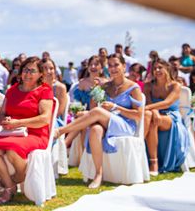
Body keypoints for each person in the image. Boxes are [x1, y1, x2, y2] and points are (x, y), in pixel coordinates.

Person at [55, 54, 143, 189]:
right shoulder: (105, 86)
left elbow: (138, 115)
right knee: (95, 130)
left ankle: (61, 131)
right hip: (106, 121)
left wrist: (115, 107)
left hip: (125, 125)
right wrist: (96, 91)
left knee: (97, 114)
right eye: (110, 65)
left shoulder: (134, 87)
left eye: (116, 65)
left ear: (124, 66)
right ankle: (98, 174)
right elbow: (94, 108)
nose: (113, 68)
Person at [0, 57, 54, 204]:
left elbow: (45, 119)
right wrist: (4, 120)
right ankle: (10, 186)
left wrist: (18, 123)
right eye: (25, 70)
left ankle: (19, 176)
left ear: (41, 74)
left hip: (36, 134)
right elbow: (2, 113)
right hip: (12, 132)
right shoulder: (12, 90)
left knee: (12, 149)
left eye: (32, 70)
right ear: (21, 72)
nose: (27, 74)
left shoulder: (44, 91)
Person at [143, 59, 189, 174]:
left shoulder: (175, 85)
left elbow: (167, 103)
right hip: (155, 114)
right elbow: (148, 103)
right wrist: (154, 111)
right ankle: (150, 161)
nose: (157, 70)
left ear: (167, 69)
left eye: (160, 68)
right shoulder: (148, 86)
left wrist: (150, 109)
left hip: (171, 116)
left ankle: (154, 163)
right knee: (152, 119)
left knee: (153, 119)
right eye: (154, 68)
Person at [42, 57, 68, 128]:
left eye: (51, 68)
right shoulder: (36, 86)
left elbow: (59, 112)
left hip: (54, 120)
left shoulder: (60, 87)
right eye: (45, 68)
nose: (48, 71)